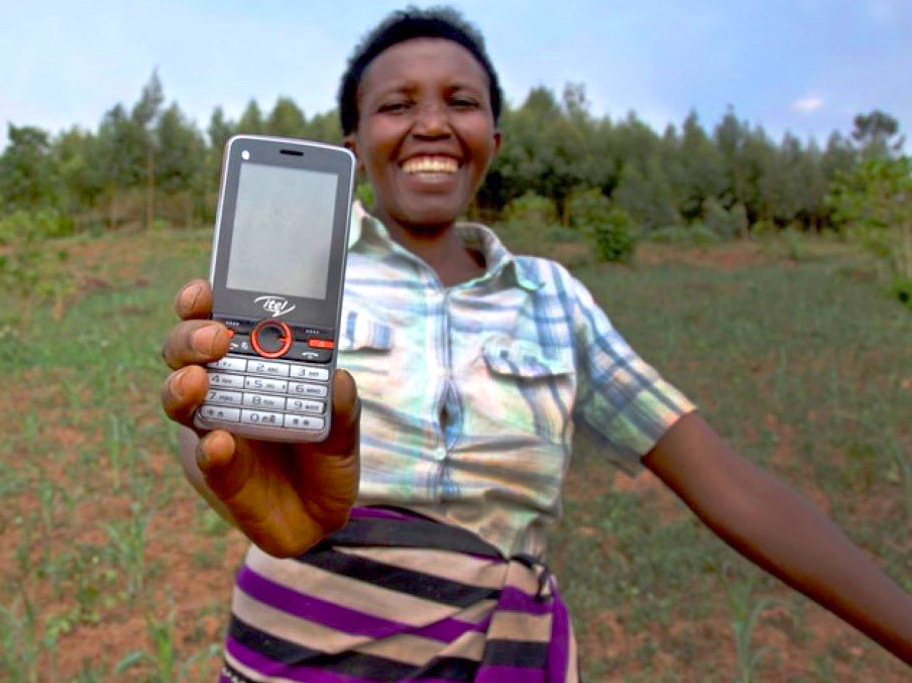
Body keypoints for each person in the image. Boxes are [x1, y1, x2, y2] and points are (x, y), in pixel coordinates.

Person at [161, 8, 912, 681]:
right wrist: (213, 457)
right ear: (354, 146)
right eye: (397, 104)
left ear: (494, 137)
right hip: (293, 658)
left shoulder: (556, 299)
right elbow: (217, 437)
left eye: (462, 102)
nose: (431, 123)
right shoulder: (298, 267)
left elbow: (726, 481)